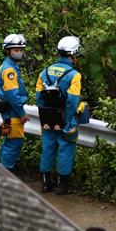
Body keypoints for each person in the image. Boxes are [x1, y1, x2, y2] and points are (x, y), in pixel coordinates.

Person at [36, 36, 82, 195]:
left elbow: (38, 97)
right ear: (73, 53)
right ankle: (62, 186)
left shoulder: (44, 72)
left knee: (47, 147)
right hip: (65, 118)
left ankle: (45, 183)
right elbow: (72, 101)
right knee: (65, 149)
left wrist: (47, 113)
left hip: (48, 116)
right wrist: (67, 119)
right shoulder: (74, 75)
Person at [0, 34, 30, 172]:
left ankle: (0, 169)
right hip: (13, 112)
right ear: (8, 51)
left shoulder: (8, 65)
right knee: (14, 142)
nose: (19, 52)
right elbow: (13, 96)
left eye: (21, 49)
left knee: (9, 141)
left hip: (9, 112)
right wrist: (22, 113)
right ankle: (5, 174)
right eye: (16, 50)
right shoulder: (9, 70)